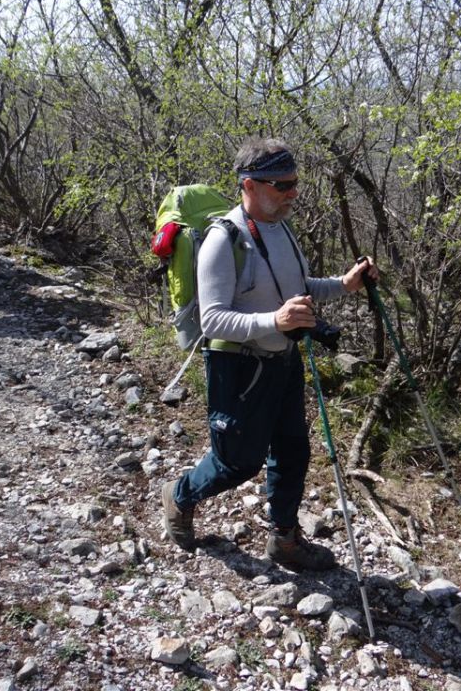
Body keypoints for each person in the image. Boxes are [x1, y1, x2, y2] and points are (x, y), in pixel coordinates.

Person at [161, 138, 378, 570]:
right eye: (281, 184)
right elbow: (213, 322)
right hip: (238, 368)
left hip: (283, 361)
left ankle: (284, 539)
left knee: (294, 450)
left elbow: (294, 288)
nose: (292, 192)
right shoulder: (223, 240)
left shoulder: (279, 228)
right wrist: (274, 322)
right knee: (236, 464)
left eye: (293, 182)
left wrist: (344, 284)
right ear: (249, 185)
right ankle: (179, 495)